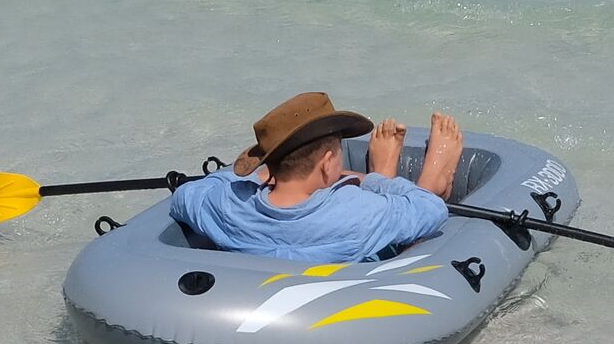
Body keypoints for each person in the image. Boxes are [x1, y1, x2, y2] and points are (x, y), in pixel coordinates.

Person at [167, 90, 465, 260]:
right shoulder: (357, 210)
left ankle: (384, 172)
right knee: (413, 214)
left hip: (275, 273)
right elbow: (430, 211)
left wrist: (251, 178)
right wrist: (366, 179)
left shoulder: (228, 207)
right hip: (347, 266)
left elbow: (184, 198)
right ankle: (427, 181)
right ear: (327, 164)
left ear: (269, 166)